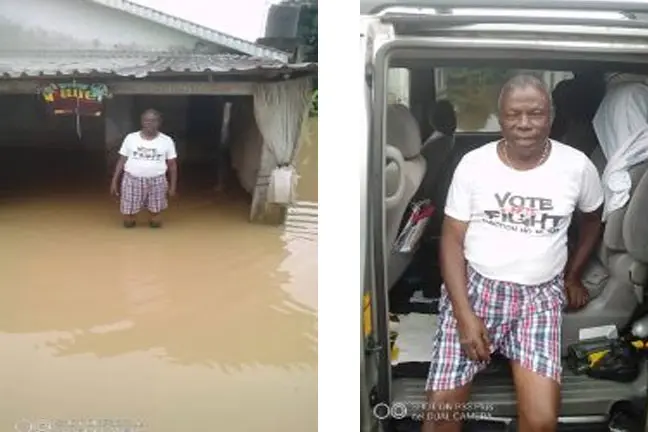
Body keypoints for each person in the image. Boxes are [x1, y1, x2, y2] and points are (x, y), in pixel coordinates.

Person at [422, 75, 604, 432]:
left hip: (539, 300)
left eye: (535, 114)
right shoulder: (474, 165)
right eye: (514, 114)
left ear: (551, 116)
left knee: (541, 421)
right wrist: (463, 315)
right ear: (500, 117)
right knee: (441, 416)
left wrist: (572, 275)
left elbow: (593, 218)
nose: (524, 124)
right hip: (476, 293)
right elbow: (451, 239)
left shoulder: (577, 166)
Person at [110, 109, 178, 228]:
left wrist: (172, 187)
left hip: (157, 181)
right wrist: (114, 181)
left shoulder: (167, 140)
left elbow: (172, 165)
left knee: (156, 221)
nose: (150, 123)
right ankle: (131, 218)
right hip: (132, 180)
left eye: (153, 121)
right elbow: (121, 160)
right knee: (128, 222)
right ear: (142, 122)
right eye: (146, 120)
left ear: (159, 122)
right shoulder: (131, 138)